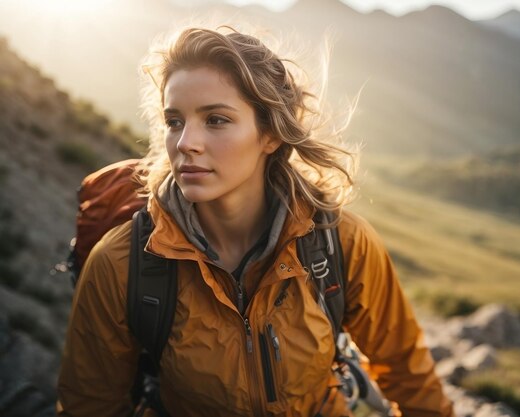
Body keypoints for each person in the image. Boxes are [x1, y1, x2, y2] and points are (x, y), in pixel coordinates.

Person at [56, 25, 454, 417]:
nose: (185, 142)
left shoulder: (340, 243)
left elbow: (407, 373)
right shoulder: (122, 263)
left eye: (215, 120)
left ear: (270, 134)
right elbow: (90, 406)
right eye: (174, 121)